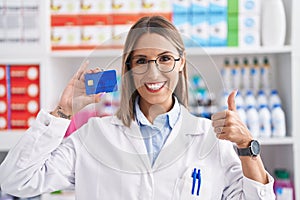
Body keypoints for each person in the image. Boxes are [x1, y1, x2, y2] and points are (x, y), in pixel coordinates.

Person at [0, 16, 275, 199]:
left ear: (181, 62)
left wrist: (246, 147)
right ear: (129, 68)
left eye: (165, 58)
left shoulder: (210, 139)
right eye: (141, 60)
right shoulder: (93, 136)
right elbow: (15, 180)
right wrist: (62, 112)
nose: (153, 73)